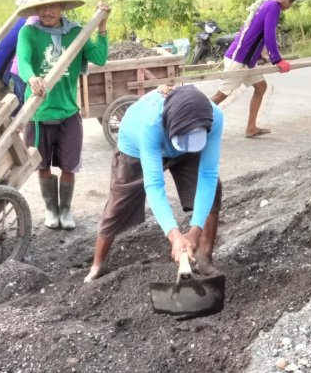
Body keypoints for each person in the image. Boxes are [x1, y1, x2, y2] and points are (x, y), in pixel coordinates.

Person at [84, 85, 223, 283]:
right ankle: (97, 265)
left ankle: (204, 259)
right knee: (118, 205)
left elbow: (208, 175)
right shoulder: (151, 124)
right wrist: (174, 235)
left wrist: (194, 231)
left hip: (184, 143)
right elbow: (154, 184)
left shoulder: (214, 117)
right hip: (134, 147)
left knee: (213, 189)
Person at [16, 0, 110, 230]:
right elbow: (24, 61)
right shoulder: (29, 33)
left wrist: (101, 27)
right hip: (37, 112)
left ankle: (66, 210)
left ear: (62, 8)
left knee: (69, 165)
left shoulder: (75, 33)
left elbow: (99, 58)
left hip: (67, 111)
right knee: (42, 164)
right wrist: (31, 78)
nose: (47, 12)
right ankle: (51, 209)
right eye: (42, 8)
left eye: (53, 7)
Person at [211, 0, 301, 138]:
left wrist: (258, 54)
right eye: (291, 0)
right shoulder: (274, 6)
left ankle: (251, 128)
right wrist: (277, 60)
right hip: (239, 59)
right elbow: (269, 34)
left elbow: (252, 30)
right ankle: (189, 122)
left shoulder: (266, 2)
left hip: (247, 60)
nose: (291, 5)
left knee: (261, 87)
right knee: (221, 95)